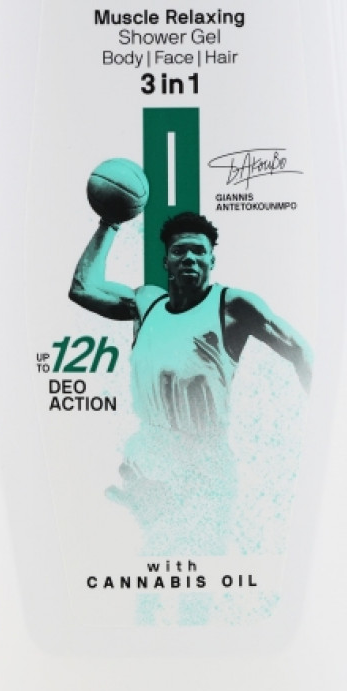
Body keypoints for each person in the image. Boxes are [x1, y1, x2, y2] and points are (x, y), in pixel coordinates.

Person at [69, 211, 313, 551]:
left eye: (199, 251)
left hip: (205, 463)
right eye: (179, 250)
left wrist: (327, 426)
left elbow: (300, 351)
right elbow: (83, 288)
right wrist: (109, 223)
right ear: (166, 261)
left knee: (202, 565)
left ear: (212, 260)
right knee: (147, 564)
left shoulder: (232, 306)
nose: (189, 257)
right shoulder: (146, 303)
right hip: (149, 457)